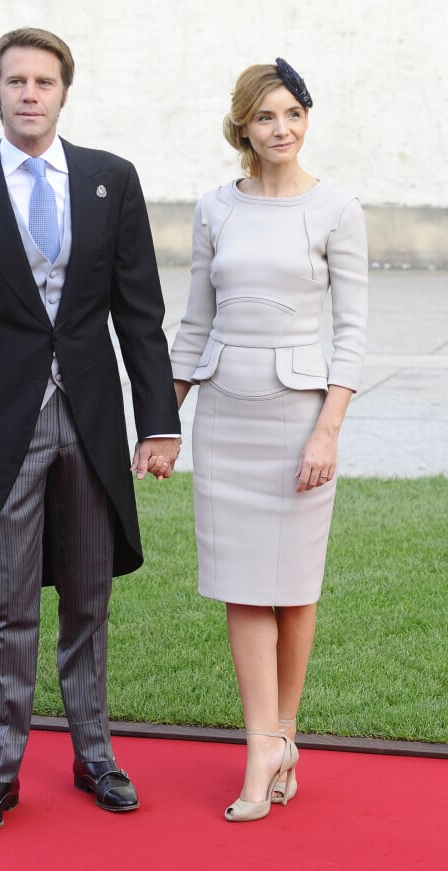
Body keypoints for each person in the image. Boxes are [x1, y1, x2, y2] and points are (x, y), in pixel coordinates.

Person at [0, 27, 181, 836]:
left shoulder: (112, 181)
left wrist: (159, 422)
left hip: (93, 421)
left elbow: (140, 313)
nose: (30, 93)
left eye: (44, 81)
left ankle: (94, 753)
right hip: (2, 430)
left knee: (90, 599)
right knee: (6, 604)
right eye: (16, 81)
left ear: (65, 91)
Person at [170, 59, 368, 822]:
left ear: (306, 119)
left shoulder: (337, 209)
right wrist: (163, 418)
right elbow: (194, 322)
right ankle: (264, 743)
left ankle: (284, 731)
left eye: (291, 114)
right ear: (242, 126)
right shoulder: (214, 209)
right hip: (225, 415)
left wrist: (329, 427)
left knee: (293, 587)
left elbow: (352, 333)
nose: (280, 129)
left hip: (298, 421)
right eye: (265, 117)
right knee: (243, 585)